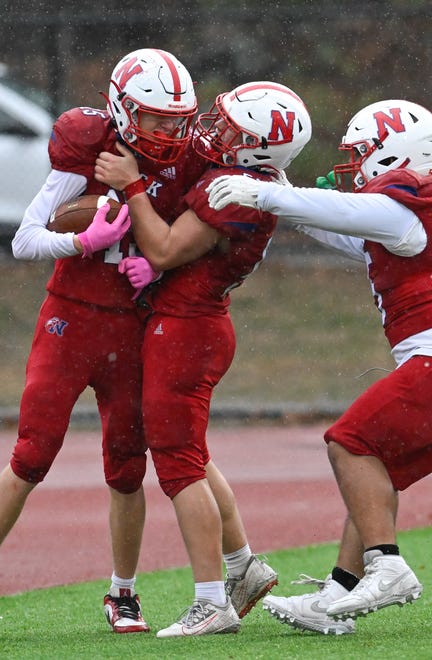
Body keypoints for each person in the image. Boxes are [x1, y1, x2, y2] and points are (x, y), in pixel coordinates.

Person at [0, 47, 207, 638]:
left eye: (175, 118)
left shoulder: (187, 162)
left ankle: (123, 594)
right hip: (70, 321)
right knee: (33, 452)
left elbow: (194, 243)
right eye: (155, 117)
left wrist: (159, 271)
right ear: (122, 108)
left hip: (131, 326)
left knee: (127, 468)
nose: (169, 130)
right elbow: (25, 239)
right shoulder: (87, 149)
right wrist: (84, 242)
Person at [95, 80, 312, 637]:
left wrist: (134, 185)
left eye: (232, 130)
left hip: (187, 329)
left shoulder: (235, 188)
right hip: (199, 323)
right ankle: (242, 566)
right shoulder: (252, 180)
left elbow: (165, 248)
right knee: (188, 450)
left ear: (257, 148)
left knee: (178, 466)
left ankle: (211, 600)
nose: (215, 132)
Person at [206, 98, 431, 633]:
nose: (353, 165)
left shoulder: (406, 208)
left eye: (361, 153)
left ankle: (388, 565)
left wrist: (267, 192)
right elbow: (345, 229)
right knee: (371, 474)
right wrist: (282, 195)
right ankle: (338, 596)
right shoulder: (399, 220)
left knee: (350, 444)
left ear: (392, 151)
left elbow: (350, 214)